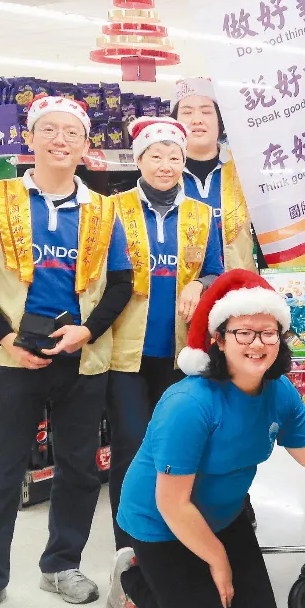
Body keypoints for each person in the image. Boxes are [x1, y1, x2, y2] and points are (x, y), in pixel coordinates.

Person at [105, 270, 305, 608]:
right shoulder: (188, 403)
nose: (258, 344)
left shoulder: (279, 391)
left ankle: (192, 579)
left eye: (268, 332)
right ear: (218, 338)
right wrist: (217, 561)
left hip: (223, 516)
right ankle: (135, 577)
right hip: (162, 524)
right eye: (244, 333)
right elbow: (171, 502)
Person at [0, 96, 133, 608]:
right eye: (49, 130)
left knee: (78, 468)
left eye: (71, 133)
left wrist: (87, 331)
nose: (60, 140)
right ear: (31, 139)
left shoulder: (102, 209)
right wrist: (7, 339)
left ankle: (61, 564)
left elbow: (121, 283)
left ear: (84, 145)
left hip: (82, 358)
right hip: (14, 359)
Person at [105, 116, 224, 567]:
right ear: (139, 161)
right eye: (155, 156)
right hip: (127, 351)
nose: (166, 165)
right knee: (131, 447)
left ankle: (176, 538)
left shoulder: (200, 214)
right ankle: (129, 548)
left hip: (182, 354)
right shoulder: (112, 208)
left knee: (180, 448)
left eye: (174, 156)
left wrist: (201, 284)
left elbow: (215, 267)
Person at [173, 78, 257, 272]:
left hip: (238, 293)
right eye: (186, 111)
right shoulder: (163, 177)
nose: (196, 119)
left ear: (220, 121)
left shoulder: (244, 173)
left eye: (206, 111)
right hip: (180, 295)